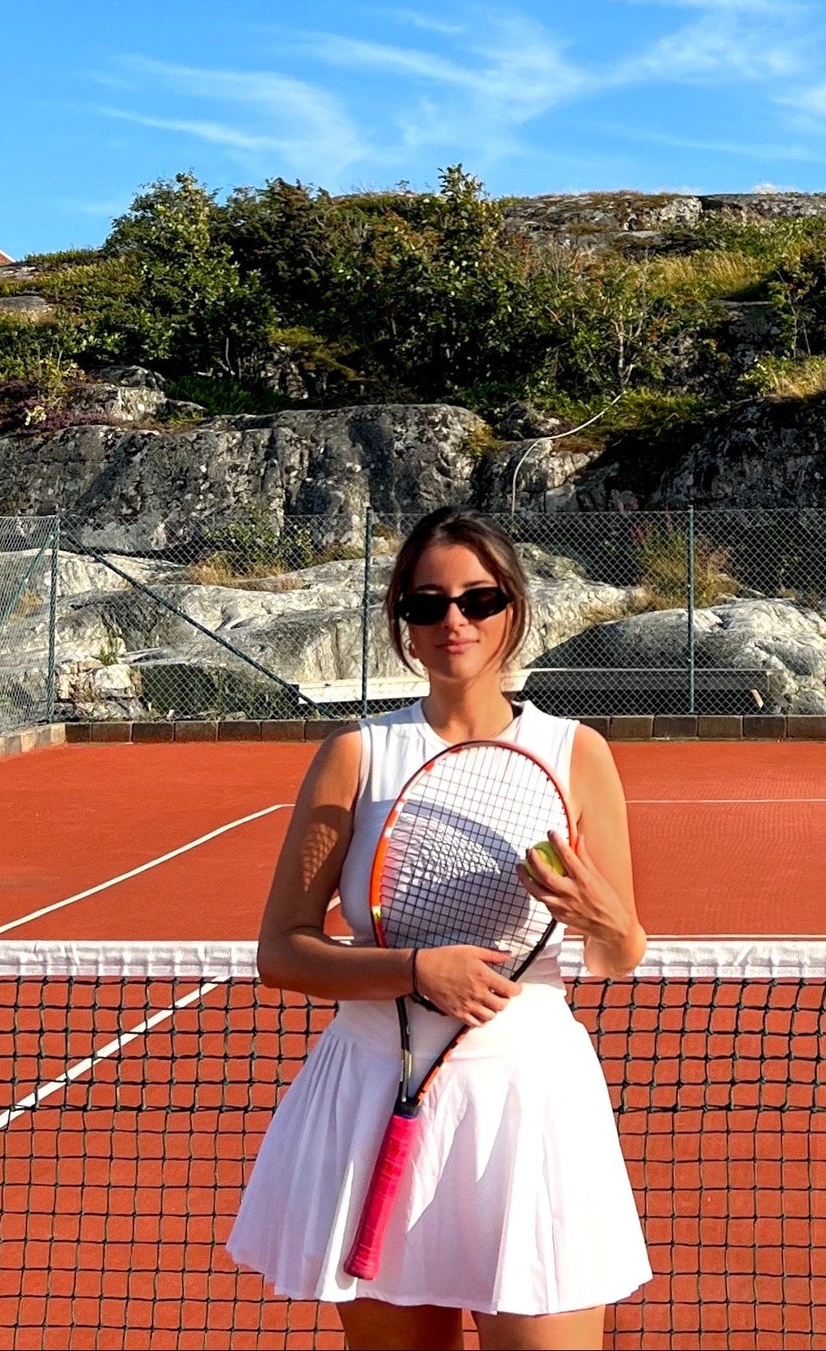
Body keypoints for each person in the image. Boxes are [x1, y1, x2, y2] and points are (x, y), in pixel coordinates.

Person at [228, 506, 651, 1351]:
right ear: (404, 627)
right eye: (427, 605)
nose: (453, 620)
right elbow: (282, 952)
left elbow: (617, 953)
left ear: (513, 610)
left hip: (527, 1099)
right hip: (374, 1093)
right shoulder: (357, 754)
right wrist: (417, 971)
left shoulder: (576, 753)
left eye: (478, 600)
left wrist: (603, 915)